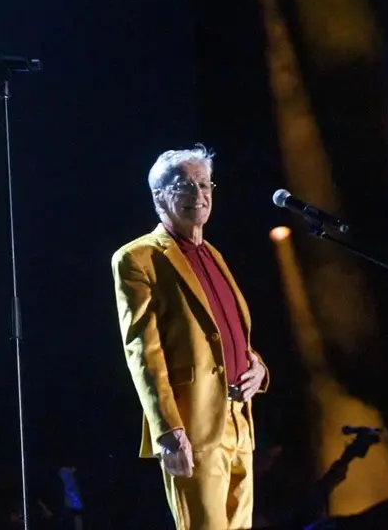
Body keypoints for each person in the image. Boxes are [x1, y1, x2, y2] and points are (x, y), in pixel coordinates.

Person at [110, 144, 269, 529]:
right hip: (193, 425)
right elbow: (142, 352)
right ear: (159, 195)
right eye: (186, 185)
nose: (199, 195)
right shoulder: (137, 258)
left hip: (238, 421)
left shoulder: (212, 254)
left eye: (204, 184)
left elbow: (229, 332)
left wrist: (259, 368)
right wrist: (167, 430)